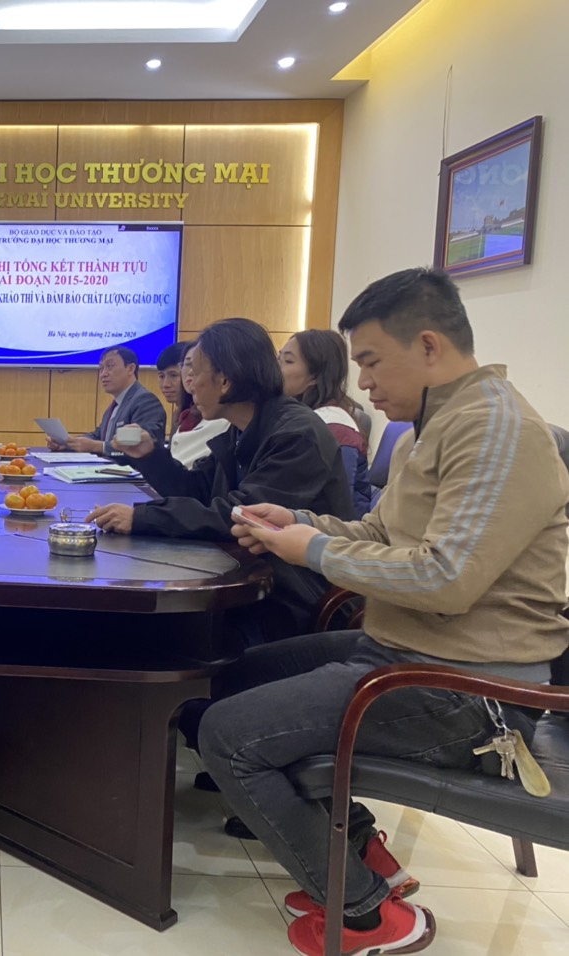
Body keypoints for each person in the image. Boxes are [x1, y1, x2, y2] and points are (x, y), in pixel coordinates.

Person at [205, 268, 569, 956]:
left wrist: (312, 549)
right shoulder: (437, 423)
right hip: (406, 651)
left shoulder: (496, 430)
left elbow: (445, 577)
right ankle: (360, 854)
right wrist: (301, 522)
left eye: (372, 362)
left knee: (228, 736)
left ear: (428, 345)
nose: (363, 382)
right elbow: (382, 534)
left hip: (471, 690)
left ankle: (369, 914)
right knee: (235, 676)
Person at [87, 318, 353, 645]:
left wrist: (142, 517)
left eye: (195, 372)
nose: (189, 385)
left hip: (284, 598)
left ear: (224, 381)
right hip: (242, 576)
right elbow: (198, 490)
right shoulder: (241, 429)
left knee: (136, 630)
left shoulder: (296, 434)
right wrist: (150, 456)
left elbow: (241, 515)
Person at [280, 329, 373, 516]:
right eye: (278, 359)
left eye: (288, 361)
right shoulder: (294, 417)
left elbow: (337, 509)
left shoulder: (335, 428)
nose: (276, 368)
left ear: (314, 376)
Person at [47, 346, 166, 457]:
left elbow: (141, 447)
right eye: (101, 368)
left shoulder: (145, 401)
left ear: (130, 369)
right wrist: (68, 443)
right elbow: (98, 436)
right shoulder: (116, 405)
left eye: (110, 366)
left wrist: (97, 446)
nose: (103, 374)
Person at [156, 339, 230, 468]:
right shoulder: (184, 414)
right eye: (188, 365)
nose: (166, 384)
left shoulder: (222, 417)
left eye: (173, 375)